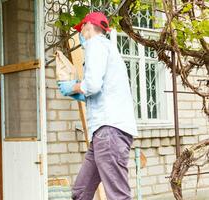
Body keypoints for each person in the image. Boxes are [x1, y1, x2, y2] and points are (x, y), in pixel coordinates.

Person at [58, 12, 138, 200]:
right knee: (81, 191)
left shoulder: (96, 44)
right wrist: (79, 92)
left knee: (118, 196)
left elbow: (92, 85)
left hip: (109, 131)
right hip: (104, 134)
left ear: (87, 26)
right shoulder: (108, 49)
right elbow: (103, 91)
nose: (81, 35)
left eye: (81, 30)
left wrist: (73, 86)